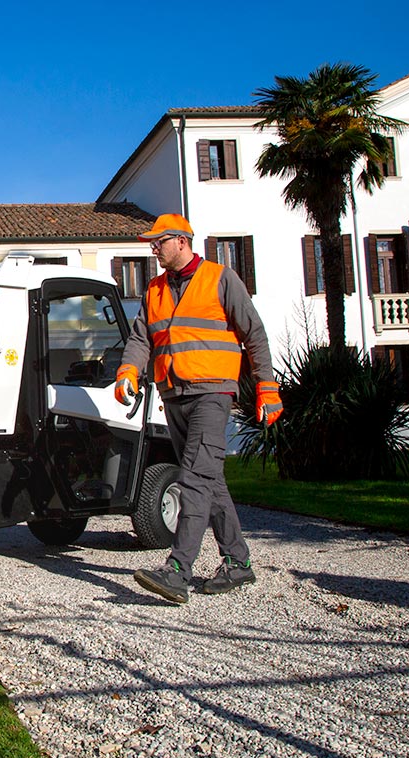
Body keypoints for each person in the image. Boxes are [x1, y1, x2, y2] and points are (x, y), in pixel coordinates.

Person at [115, 213, 283, 604]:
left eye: (159, 242)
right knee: (209, 479)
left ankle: (178, 569)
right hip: (173, 394)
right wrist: (128, 372)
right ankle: (237, 562)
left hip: (212, 392)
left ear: (181, 241)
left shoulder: (220, 279)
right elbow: (142, 338)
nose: (153, 249)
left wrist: (267, 388)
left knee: (192, 478)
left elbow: (253, 334)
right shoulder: (154, 290)